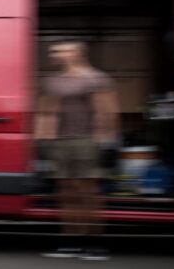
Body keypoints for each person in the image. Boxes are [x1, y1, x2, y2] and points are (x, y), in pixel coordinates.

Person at [36, 40, 118, 261]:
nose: (56, 53)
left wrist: (106, 140)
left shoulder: (94, 78)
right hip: (61, 142)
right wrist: (43, 139)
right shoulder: (53, 81)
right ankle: (69, 241)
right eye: (56, 50)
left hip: (86, 141)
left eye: (63, 49)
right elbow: (46, 112)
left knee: (87, 192)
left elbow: (105, 111)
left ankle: (94, 243)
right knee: (65, 192)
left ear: (77, 53)